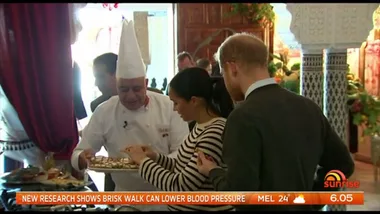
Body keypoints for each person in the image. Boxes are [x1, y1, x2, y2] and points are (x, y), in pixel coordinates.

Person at [196, 33, 355, 211]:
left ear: (232, 68)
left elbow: (240, 194)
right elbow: (343, 165)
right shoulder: (308, 107)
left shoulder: (242, 117)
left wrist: (213, 171)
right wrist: (310, 201)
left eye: (222, 72)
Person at [70, 20, 189, 211]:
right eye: (123, 89)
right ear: (116, 86)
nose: (131, 96)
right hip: (124, 198)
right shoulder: (105, 110)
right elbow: (76, 155)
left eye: (136, 88)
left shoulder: (168, 106)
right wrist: (83, 158)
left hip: (166, 196)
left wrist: (154, 158)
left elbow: (183, 156)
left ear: (146, 83)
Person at [123, 67, 234, 211]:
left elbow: (181, 187)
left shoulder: (213, 132)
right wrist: (155, 157)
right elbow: (182, 167)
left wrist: (142, 162)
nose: (174, 109)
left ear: (194, 101)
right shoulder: (200, 126)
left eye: (176, 103)